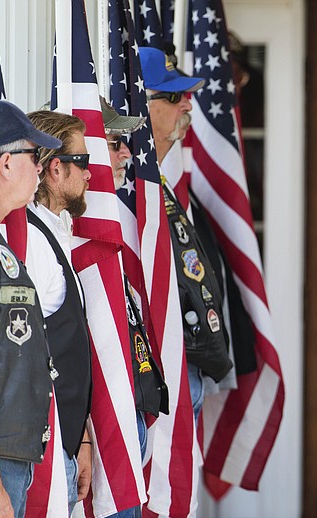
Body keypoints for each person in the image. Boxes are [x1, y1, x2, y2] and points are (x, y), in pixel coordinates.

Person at [138, 46, 233, 420]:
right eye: (175, 97)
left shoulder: (157, 183)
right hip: (156, 371)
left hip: (185, 362)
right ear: (141, 103)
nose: (188, 107)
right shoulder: (126, 189)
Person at [24, 110, 93, 515]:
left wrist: (81, 436)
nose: (90, 174)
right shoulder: (32, 241)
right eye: (82, 162)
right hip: (42, 455)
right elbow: (30, 349)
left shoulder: (54, 232)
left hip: (65, 440)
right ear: (54, 168)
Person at [102, 96, 168, 518]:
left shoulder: (106, 230)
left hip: (129, 419)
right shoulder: (69, 240)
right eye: (112, 142)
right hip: (99, 439)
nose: (127, 152)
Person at [0, 100, 60, 518]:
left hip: (14, 454)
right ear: (5, 163)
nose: (40, 169)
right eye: (34, 157)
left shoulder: (2, 246)